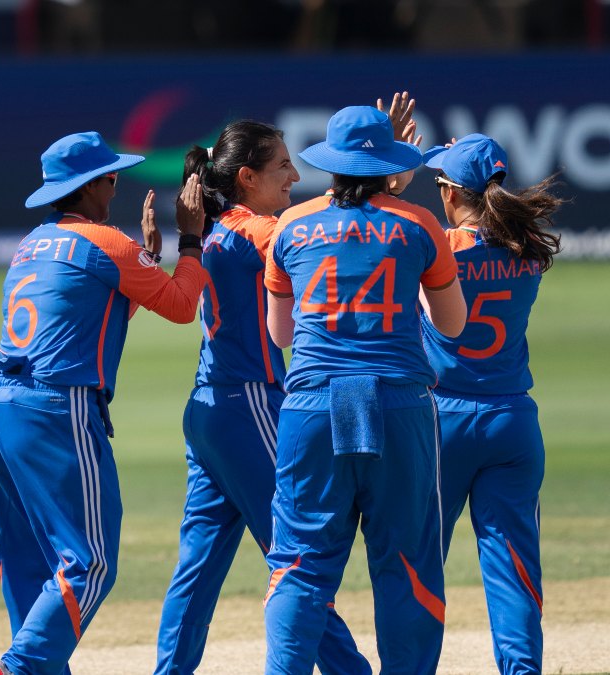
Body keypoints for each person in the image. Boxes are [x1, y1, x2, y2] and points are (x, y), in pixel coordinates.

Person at [0, 131, 207, 675]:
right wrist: (190, 242)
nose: (117, 184)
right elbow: (180, 306)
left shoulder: (32, 242)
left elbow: (90, 320)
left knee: (30, 561)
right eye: (111, 177)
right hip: (57, 407)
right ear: (93, 186)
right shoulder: (107, 242)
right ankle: (19, 669)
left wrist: (146, 258)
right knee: (90, 562)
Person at [153, 122, 369, 675]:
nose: (296, 175)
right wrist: (371, 177)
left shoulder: (222, 228)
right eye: (283, 167)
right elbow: (320, 234)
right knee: (299, 558)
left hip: (211, 406)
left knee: (198, 568)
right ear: (247, 177)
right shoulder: (255, 230)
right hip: (251, 405)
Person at [262, 105, 467, 675]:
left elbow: (280, 334)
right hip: (397, 402)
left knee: (299, 564)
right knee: (406, 562)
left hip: (312, 404)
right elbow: (451, 325)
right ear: (389, 166)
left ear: (331, 164)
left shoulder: (291, 225)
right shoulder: (418, 222)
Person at [419, 133, 562, 674]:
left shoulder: (437, 246)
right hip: (511, 421)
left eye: (439, 185)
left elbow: (391, 231)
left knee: (418, 561)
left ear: (453, 192)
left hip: (441, 422)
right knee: (513, 567)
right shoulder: (526, 251)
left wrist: (391, 167)